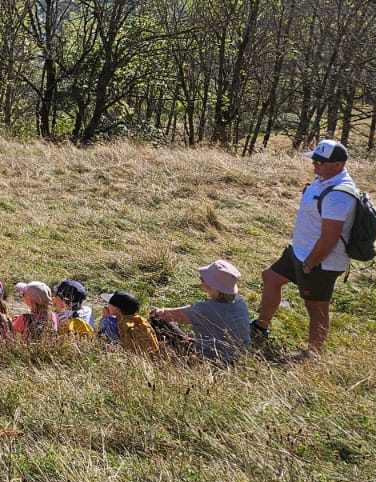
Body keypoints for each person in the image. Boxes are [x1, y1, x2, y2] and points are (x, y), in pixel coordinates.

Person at [254, 139, 357, 357]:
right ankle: (260, 327)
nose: (315, 164)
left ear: (338, 165)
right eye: (315, 160)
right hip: (299, 252)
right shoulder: (323, 179)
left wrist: (311, 263)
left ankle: (313, 354)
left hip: (319, 261)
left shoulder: (339, 194)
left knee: (316, 307)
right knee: (271, 277)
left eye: (320, 162)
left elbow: (330, 238)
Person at [152, 260, 253, 364]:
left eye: (203, 279)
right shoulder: (240, 302)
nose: (200, 279)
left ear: (212, 286)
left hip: (212, 360)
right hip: (241, 356)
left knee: (156, 319)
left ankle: (153, 354)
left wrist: (159, 311)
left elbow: (172, 316)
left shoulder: (205, 309)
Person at [99, 290, 160, 356]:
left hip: (125, 356)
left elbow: (101, 337)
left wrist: (105, 316)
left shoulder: (110, 322)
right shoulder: (140, 320)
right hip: (149, 357)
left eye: (109, 304)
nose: (107, 305)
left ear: (117, 309)